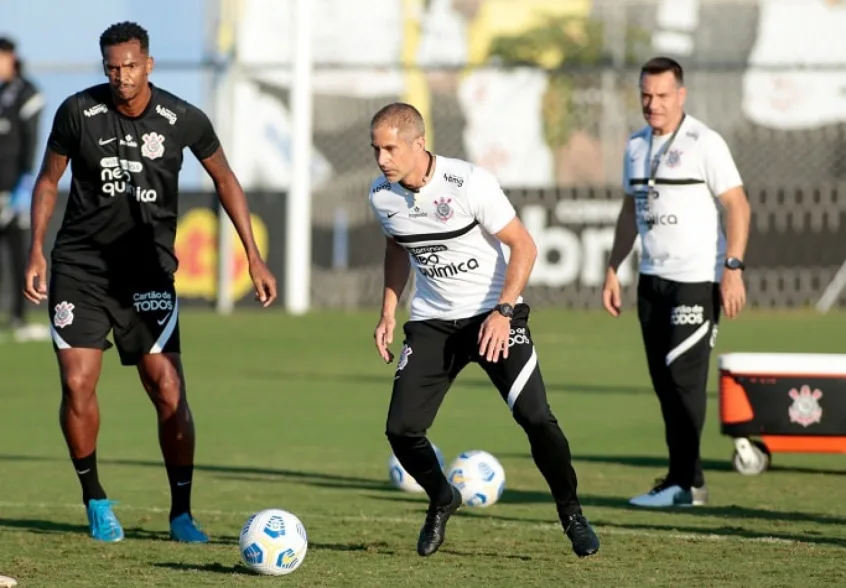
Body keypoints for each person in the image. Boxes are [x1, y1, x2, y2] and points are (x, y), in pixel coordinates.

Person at [23, 21, 277, 542]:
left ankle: (181, 512)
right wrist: (36, 252)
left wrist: (253, 255)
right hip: (81, 270)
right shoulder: (77, 111)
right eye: (113, 68)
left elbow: (225, 179)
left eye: (131, 66)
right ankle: (95, 497)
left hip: (148, 273)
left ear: (149, 64)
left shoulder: (183, 118)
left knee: (167, 388)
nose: (122, 77)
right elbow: (49, 182)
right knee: (76, 383)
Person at [369, 102, 600, 558]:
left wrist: (504, 310)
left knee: (536, 418)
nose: (382, 159)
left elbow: (524, 246)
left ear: (419, 144)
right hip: (432, 323)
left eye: (390, 149)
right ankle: (441, 496)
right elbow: (397, 248)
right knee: (401, 430)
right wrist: (388, 312)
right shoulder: (382, 195)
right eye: (375, 149)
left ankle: (571, 512)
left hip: (493, 316)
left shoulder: (469, 183)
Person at [602, 57, 750, 508]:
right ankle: (688, 481)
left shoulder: (705, 142)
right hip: (652, 281)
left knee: (684, 379)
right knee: (665, 384)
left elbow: (738, 206)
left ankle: (684, 484)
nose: (653, 104)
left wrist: (733, 267)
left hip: (696, 279)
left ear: (680, 95)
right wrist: (613, 267)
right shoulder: (634, 146)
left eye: (663, 96)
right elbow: (631, 211)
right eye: (646, 95)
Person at [0, 37, 48, 341]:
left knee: (20, 254)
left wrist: (25, 184)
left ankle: (19, 316)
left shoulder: (27, 93)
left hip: (14, 189)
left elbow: (30, 142)